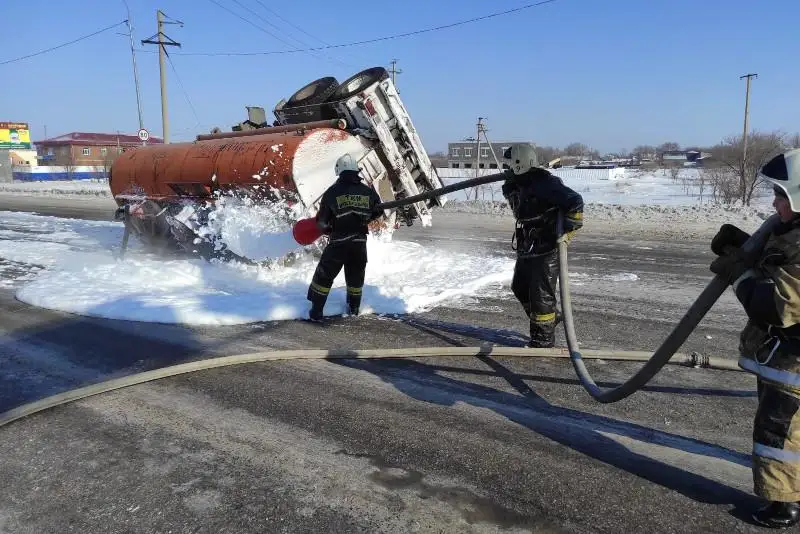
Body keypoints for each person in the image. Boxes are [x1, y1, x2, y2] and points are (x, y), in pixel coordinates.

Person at [710, 148, 800, 528]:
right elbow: (780, 265)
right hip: (785, 357)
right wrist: (745, 248)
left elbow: (777, 305)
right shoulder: (790, 231)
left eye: (782, 194)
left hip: (792, 362)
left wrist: (739, 274)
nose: (775, 201)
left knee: (778, 432)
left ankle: (784, 504)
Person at [501, 143, 584, 348]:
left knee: (541, 295)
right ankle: (551, 318)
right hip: (529, 242)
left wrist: (567, 231)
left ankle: (542, 340)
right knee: (519, 286)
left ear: (520, 163)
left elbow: (575, 202)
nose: (506, 168)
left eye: (510, 164)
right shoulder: (520, 182)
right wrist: (513, 181)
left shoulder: (544, 182)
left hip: (547, 243)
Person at [306, 153, 384, 322]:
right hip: (359, 243)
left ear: (339, 171)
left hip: (339, 243)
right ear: (356, 171)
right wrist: (364, 218)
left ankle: (316, 312)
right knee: (355, 277)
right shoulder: (367, 191)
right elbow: (379, 210)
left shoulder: (333, 192)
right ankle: (354, 309)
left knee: (324, 276)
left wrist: (328, 228)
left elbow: (322, 222)